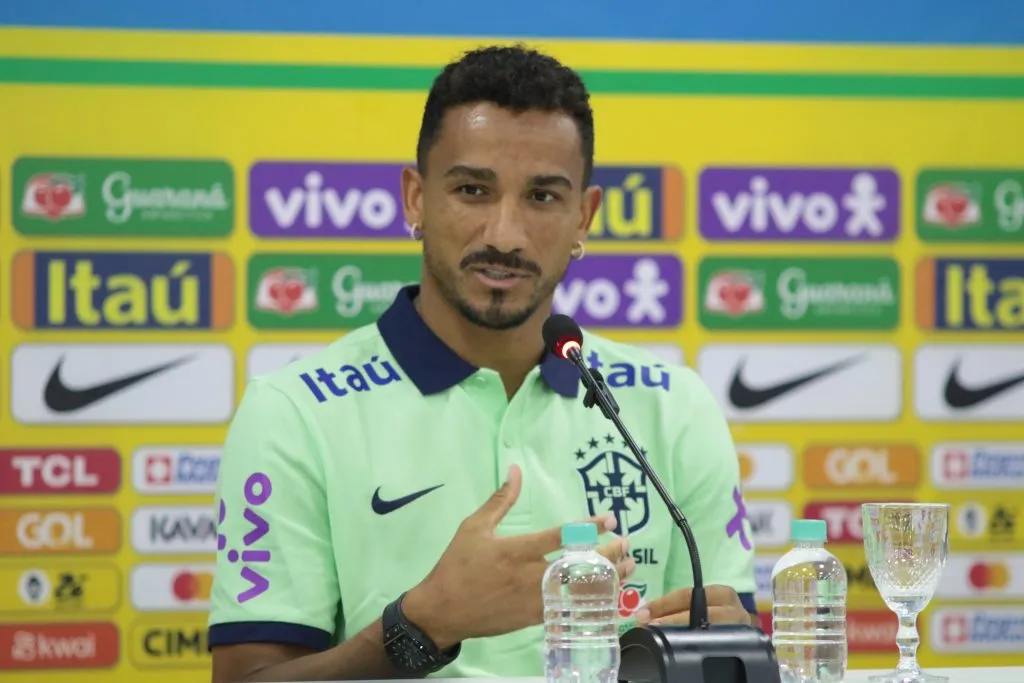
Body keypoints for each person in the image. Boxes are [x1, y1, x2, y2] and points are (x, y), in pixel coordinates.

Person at [208, 44, 757, 683]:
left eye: (543, 198)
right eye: (473, 190)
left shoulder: (673, 406)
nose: (505, 233)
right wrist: (422, 626)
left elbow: (725, 649)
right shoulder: (294, 410)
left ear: (585, 216)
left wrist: (730, 651)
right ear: (415, 200)